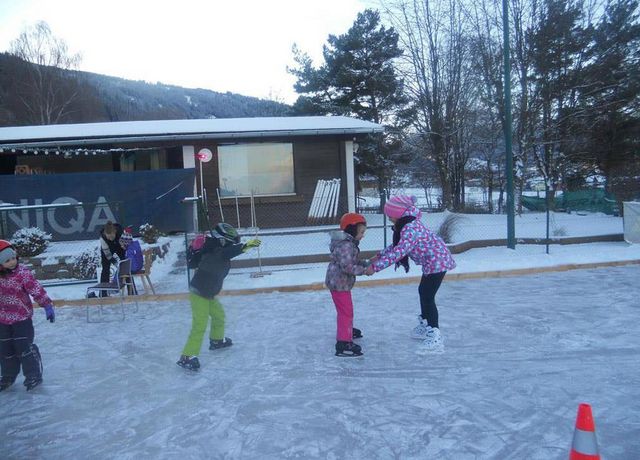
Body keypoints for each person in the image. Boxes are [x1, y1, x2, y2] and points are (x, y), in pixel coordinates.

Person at [365, 195, 456, 354]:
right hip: (432, 261)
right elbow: (397, 246)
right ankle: (426, 325)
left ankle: (435, 334)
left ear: (398, 213)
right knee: (423, 292)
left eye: (390, 215)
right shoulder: (406, 224)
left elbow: (399, 252)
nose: (389, 218)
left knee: (427, 296)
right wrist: (379, 256)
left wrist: (376, 267)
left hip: (437, 260)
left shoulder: (410, 228)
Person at [177, 223, 261, 371]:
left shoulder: (217, 250)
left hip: (208, 293)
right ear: (223, 241)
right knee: (200, 325)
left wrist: (244, 246)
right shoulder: (217, 251)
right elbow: (230, 252)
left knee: (219, 316)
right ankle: (187, 356)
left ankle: (216, 340)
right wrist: (246, 246)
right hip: (199, 292)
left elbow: (229, 252)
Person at [0, 240, 55, 392]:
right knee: (5, 349)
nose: (12, 262)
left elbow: (36, 289)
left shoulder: (22, 273)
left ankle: (33, 374)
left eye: (13, 258)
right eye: (7, 260)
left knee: (23, 347)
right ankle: (8, 376)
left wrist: (47, 305)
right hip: (3, 319)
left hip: (21, 318)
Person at [325, 213, 368, 357]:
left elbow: (351, 262)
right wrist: (364, 270)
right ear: (352, 230)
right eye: (361, 232)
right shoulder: (346, 246)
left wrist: (364, 263)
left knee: (345, 311)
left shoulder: (347, 244)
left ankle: (346, 330)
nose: (363, 236)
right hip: (339, 283)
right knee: (346, 312)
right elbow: (348, 267)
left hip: (339, 282)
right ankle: (343, 342)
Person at [99, 221, 125, 295]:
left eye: (112, 236)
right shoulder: (103, 238)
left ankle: (131, 291)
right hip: (108, 249)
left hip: (119, 246)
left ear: (115, 232)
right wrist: (113, 261)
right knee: (105, 269)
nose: (110, 238)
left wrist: (123, 246)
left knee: (125, 265)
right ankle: (103, 293)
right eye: (108, 237)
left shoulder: (120, 233)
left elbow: (125, 246)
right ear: (105, 234)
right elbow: (107, 253)